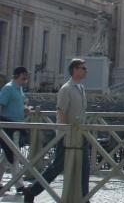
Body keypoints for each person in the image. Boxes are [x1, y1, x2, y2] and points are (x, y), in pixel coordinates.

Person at [22, 59, 89, 202]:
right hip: (67, 136)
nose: (86, 70)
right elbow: (61, 111)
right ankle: (32, 191)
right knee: (56, 168)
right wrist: (64, 132)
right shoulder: (66, 89)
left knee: (85, 168)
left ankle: (84, 197)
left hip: (80, 134)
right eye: (83, 68)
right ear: (75, 70)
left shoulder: (81, 88)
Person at [0, 67, 31, 194]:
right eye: (24, 76)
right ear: (18, 75)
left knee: (6, 157)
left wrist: (25, 109)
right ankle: (19, 185)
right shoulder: (8, 88)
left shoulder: (19, 89)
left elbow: (19, 104)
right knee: (15, 155)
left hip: (17, 126)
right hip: (8, 127)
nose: (26, 79)